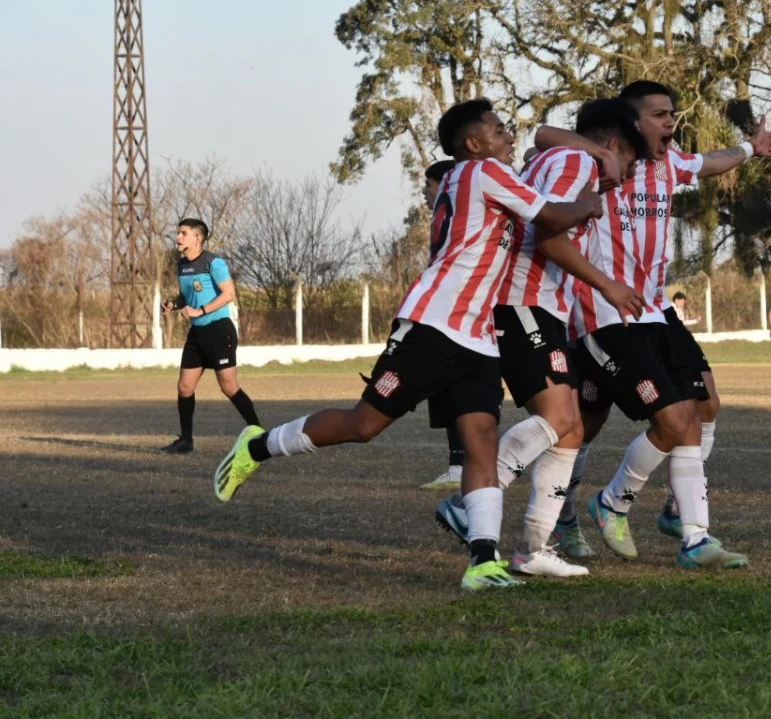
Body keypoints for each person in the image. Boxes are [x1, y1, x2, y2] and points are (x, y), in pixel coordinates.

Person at [212, 99, 603, 590]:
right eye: (500, 128)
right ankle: (260, 444)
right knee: (364, 424)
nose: (509, 136)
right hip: (434, 323)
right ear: (474, 143)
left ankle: (483, 561)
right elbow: (550, 214)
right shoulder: (482, 171)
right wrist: (590, 200)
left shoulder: (487, 178)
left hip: (479, 333)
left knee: (480, 438)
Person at [538, 80, 771, 566]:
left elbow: (710, 162)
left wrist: (749, 149)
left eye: (672, 112)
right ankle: (591, 508)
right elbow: (543, 135)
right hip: (603, 314)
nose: (670, 121)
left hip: (654, 309)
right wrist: (601, 153)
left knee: (703, 406)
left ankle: (690, 531)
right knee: (591, 425)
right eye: (658, 114)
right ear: (630, 127)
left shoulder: (668, 164)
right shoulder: (596, 162)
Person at [432, 99, 650, 579]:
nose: (632, 174)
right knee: (559, 419)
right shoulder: (578, 162)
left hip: (541, 307)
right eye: (632, 160)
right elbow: (549, 233)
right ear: (612, 147)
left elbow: (542, 144)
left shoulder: (565, 158)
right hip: (523, 302)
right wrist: (606, 285)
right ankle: (467, 506)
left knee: (570, 428)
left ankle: (533, 547)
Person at [160, 218, 259, 454]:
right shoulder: (182, 265)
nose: (178, 237)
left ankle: (259, 433)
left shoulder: (213, 263)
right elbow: (187, 298)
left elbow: (229, 294)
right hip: (197, 334)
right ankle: (186, 441)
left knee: (229, 387)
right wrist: (173, 304)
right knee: (185, 387)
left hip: (218, 331)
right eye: (178, 233)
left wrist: (200, 311)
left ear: (198, 238)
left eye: (183, 233)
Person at [416, 159, 468, 492]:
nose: (424, 192)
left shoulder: (458, 216)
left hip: (459, 318)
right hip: (449, 315)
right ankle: (460, 465)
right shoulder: (444, 218)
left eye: (428, 185)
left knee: (457, 390)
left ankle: (462, 466)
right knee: (451, 390)